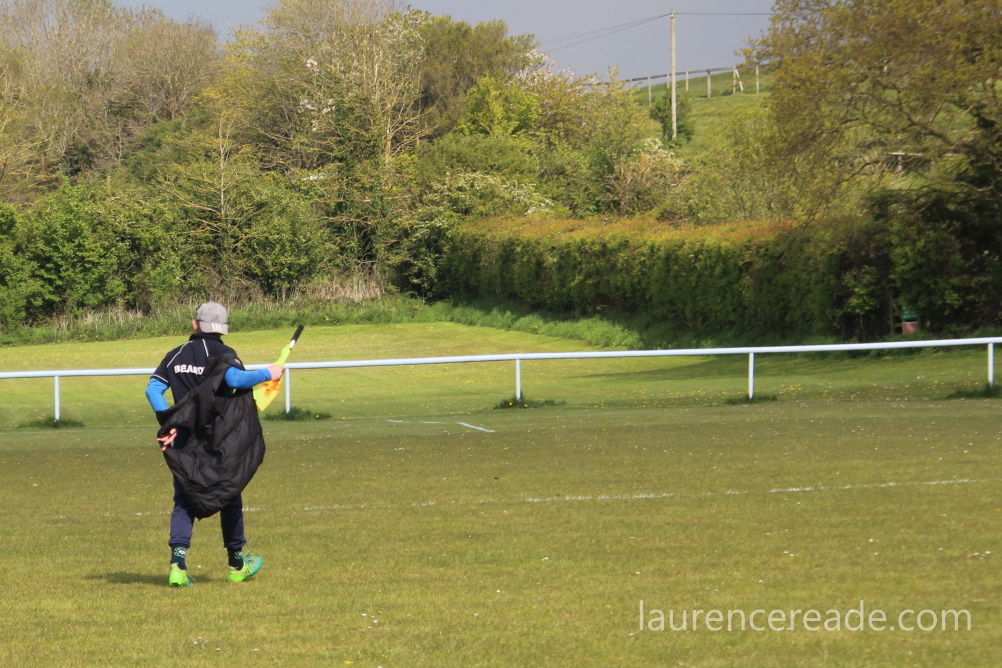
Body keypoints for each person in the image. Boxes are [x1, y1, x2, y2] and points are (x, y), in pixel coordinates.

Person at [145, 301, 284, 587]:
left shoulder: (175, 355)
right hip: (217, 439)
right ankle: (236, 565)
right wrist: (268, 373)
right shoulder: (224, 353)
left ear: (195, 324)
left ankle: (177, 566)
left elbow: (153, 389)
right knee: (229, 494)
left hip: (184, 438)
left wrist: (171, 421)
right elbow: (236, 379)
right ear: (223, 329)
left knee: (184, 498)